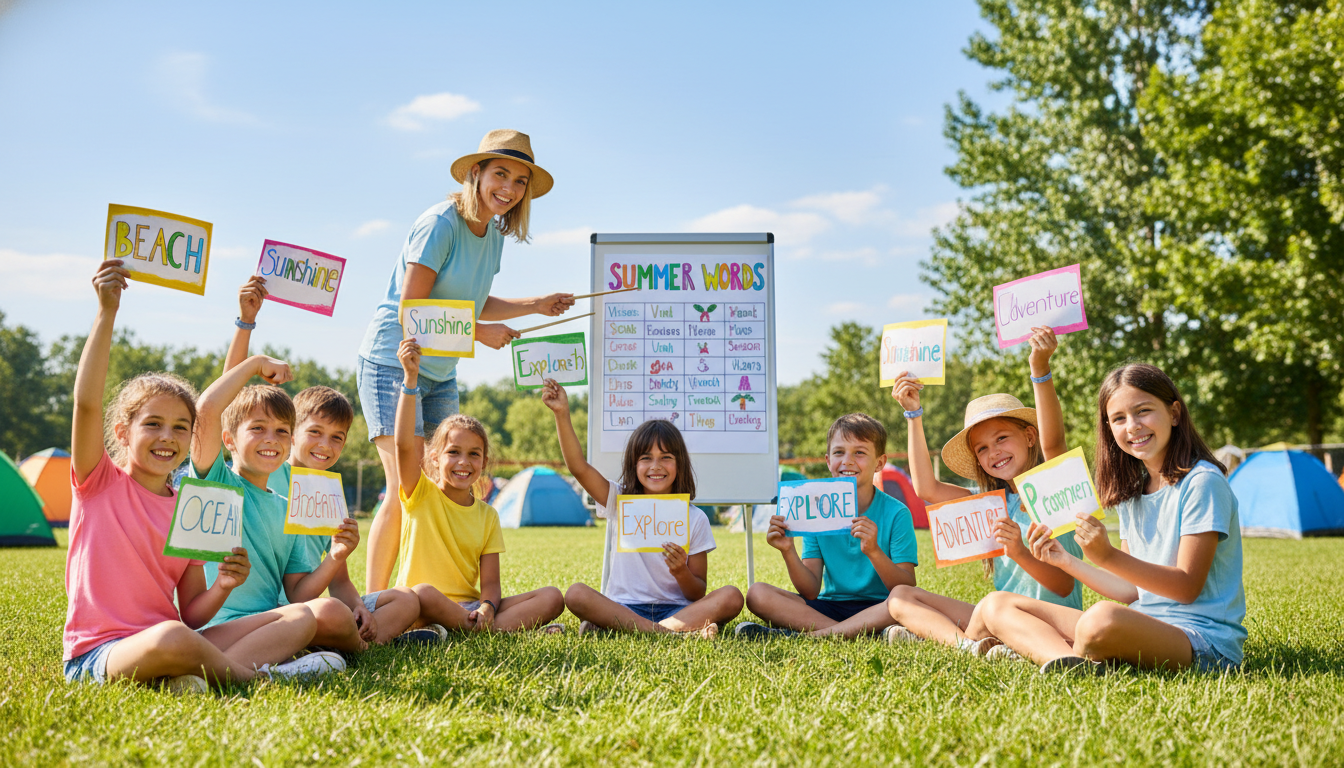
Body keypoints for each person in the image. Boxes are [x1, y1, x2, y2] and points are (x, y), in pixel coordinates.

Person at [63, 259, 322, 690]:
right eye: (153, 424)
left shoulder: (190, 504)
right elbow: (86, 404)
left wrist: (223, 585)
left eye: (180, 428)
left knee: (300, 617)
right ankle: (256, 679)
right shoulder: (98, 481)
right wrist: (107, 311)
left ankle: (183, 676)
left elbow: (195, 613)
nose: (168, 437)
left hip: (176, 636)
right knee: (172, 637)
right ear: (122, 431)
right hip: (99, 652)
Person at [357, 129, 575, 594]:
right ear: (475, 173)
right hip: (394, 362)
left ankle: (432, 593)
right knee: (405, 484)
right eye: (501, 174)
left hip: (442, 369)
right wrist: (479, 332)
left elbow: (474, 300)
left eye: (520, 181)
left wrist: (536, 303)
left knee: (444, 490)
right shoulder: (440, 223)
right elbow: (412, 308)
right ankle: (373, 605)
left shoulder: (493, 236)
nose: (510, 188)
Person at [977, 363, 1247, 674]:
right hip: (1145, 622)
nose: (1132, 426)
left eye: (1143, 411)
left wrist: (1107, 555)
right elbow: (1130, 591)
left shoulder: (1203, 482)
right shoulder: (1133, 492)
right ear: (1109, 429)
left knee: (1100, 619)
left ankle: (1054, 652)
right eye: (1119, 419)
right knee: (998, 604)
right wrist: (1065, 560)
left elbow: (1186, 587)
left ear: (1174, 413)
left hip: (1203, 642)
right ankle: (1067, 663)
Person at [224, 278, 428, 644]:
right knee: (328, 615)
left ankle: (359, 636)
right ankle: (355, 642)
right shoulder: (268, 476)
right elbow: (226, 405)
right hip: (281, 609)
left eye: (337, 438)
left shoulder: (330, 494)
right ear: (292, 429)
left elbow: (340, 581)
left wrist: (358, 607)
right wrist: (246, 323)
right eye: (315, 432)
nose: (325, 445)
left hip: (312, 606)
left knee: (406, 599)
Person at [884, 327, 1083, 658]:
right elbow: (926, 488)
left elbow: (1063, 587)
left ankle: (946, 638)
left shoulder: (1053, 488)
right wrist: (913, 414)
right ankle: (968, 647)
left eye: (1002, 438)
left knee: (993, 604)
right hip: (1000, 617)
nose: (994, 452)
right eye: (982, 448)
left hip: (1054, 625)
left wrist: (1040, 370)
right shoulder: (992, 504)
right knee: (902, 596)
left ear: (1030, 437)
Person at [189, 355, 356, 671]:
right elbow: (206, 411)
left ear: (290, 441)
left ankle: (266, 665)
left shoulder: (286, 507)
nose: (271, 438)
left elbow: (298, 594)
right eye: (258, 428)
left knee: (323, 613)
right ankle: (231, 673)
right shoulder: (216, 482)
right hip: (210, 632)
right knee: (305, 619)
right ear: (229, 440)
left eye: (281, 431)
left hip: (272, 623)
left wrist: (335, 555)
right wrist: (255, 364)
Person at [542, 378, 743, 637]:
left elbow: (697, 592)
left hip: (677, 609)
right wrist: (562, 414)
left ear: (679, 464)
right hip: (624, 607)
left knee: (732, 596)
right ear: (633, 465)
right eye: (645, 458)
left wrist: (681, 570)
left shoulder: (695, 518)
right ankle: (671, 633)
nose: (655, 466)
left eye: (666, 458)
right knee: (576, 594)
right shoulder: (618, 500)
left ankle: (633, 630)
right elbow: (578, 468)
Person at [393, 340, 566, 632]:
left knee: (552, 597)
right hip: (421, 605)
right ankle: (480, 630)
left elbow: (491, 585)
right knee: (422, 592)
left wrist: (487, 606)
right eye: (454, 452)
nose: (464, 462)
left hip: (469, 608)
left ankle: (468, 628)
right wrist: (410, 382)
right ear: (434, 458)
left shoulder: (488, 516)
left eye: (474, 454)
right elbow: (403, 445)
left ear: (484, 462)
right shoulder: (419, 493)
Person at [737, 414, 917, 639]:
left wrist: (874, 551)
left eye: (859, 452)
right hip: (829, 607)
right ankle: (855, 632)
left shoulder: (897, 513)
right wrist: (788, 551)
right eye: (839, 452)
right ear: (827, 460)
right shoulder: (814, 510)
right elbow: (810, 590)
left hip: (882, 607)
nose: (847, 461)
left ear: (880, 463)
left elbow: (907, 587)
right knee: (757, 594)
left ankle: (820, 633)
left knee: (904, 603)